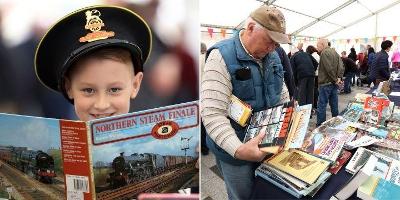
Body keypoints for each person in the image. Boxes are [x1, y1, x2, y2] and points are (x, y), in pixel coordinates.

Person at [201, 5, 290, 199]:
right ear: (250, 28)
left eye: (276, 44)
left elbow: (281, 91)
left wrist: (290, 115)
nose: (272, 48)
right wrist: (239, 150)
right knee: (242, 195)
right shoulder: (221, 56)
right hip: (235, 149)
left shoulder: (273, 55)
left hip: (267, 141)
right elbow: (212, 114)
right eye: (269, 41)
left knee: (265, 191)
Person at [34, 5, 151, 121]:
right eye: (88, 90)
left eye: (114, 89)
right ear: (68, 87)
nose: (102, 105)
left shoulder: (157, 138)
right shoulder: (53, 140)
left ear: (135, 85)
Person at [316, 39, 344, 126]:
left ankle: (320, 125)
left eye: (318, 45)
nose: (317, 48)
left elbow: (329, 69)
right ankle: (336, 123)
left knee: (322, 105)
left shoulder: (324, 53)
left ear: (323, 44)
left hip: (325, 84)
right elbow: (341, 66)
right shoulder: (335, 52)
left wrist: (336, 79)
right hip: (333, 84)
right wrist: (338, 78)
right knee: (334, 105)